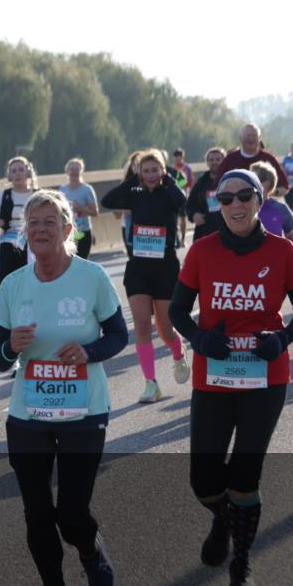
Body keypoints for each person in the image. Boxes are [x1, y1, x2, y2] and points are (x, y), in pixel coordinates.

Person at [169, 168, 293, 586]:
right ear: (218, 205)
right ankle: (223, 518)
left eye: (244, 196)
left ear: (259, 199)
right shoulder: (202, 250)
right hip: (214, 376)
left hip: (265, 377)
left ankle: (242, 564)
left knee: (245, 477)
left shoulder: (283, 251)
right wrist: (199, 338)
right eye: (225, 198)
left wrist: (282, 338)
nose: (235, 205)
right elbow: (177, 311)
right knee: (204, 480)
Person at [0, 189, 126, 586]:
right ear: (24, 232)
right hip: (28, 414)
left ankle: (89, 549)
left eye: (50, 222)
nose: (40, 229)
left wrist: (89, 351)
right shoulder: (14, 285)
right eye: (33, 223)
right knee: (37, 512)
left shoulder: (91, 278)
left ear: (68, 230)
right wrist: (10, 347)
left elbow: (118, 335)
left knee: (71, 512)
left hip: (84, 410)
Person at [101, 149, 190, 403]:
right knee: (141, 325)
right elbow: (108, 200)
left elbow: (181, 202)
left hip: (165, 268)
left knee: (165, 329)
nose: (150, 175)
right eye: (145, 170)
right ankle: (151, 383)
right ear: (139, 173)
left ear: (162, 171)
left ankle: (178, 353)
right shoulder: (135, 193)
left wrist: (169, 180)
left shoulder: (169, 193)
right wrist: (132, 179)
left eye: (155, 170)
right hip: (138, 268)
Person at [0, 156, 38, 285]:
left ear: (28, 172)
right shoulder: (3, 195)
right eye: (13, 171)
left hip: (33, 241)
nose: (17, 174)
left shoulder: (38, 195)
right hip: (7, 244)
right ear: (9, 175)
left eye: (21, 170)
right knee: (6, 248)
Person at [218, 124, 289, 195]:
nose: (251, 138)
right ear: (240, 138)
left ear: (259, 138)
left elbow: (284, 187)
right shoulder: (230, 159)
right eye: (248, 135)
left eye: (254, 135)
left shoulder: (269, 159)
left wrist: (268, 192)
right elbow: (217, 186)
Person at [59, 157, 99, 260]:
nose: (74, 172)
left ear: (81, 171)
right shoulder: (62, 189)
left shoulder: (87, 189)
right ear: (67, 171)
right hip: (68, 233)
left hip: (82, 231)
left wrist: (81, 209)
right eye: (72, 169)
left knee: (82, 261)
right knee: (68, 262)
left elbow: (95, 212)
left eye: (77, 169)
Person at [251, 163, 293, 244]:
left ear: (266, 183)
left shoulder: (280, 208)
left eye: (254, 180)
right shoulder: (244, 208)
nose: (249, 184)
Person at [186, 147, 228, 241]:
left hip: (228, 232)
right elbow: (189, 205)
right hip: (205, 232)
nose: (214, 162)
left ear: (224, 161)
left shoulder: (231, 180)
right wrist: (193, 215)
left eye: (218, 159)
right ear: (207, 162)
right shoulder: (201, 182)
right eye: (211, 160)